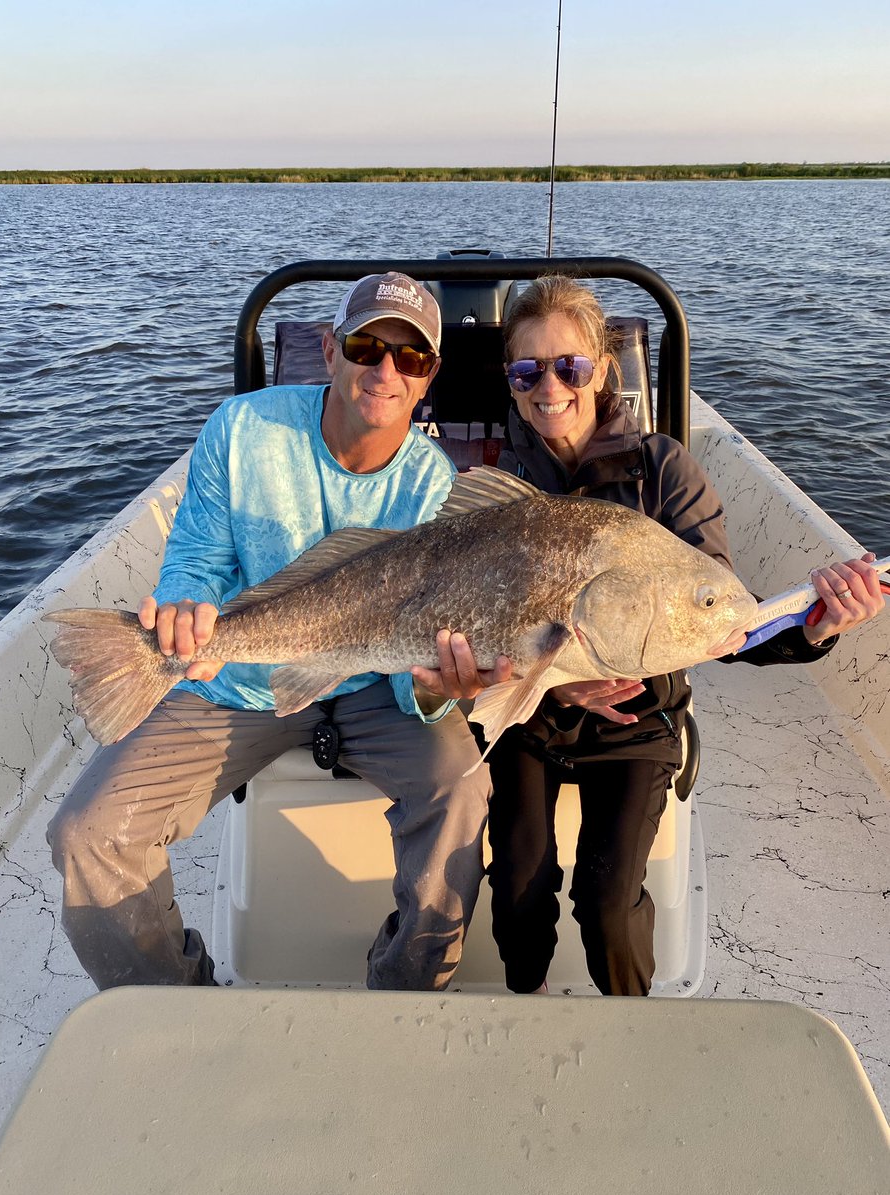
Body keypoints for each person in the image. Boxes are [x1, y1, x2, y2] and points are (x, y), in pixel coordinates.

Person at [47, 271, 510, 992]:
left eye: (411, 357)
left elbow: (412, 647)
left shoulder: (434, 487)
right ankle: (177, 1001)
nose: (385, 370)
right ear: (330, 350)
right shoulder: (242, 428)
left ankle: (403, 992)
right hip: (233, 680)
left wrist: (432, 691)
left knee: (461, 790)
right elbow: (196, 559)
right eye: (366, 345)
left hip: (371, 682)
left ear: (429, 380)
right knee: (87, 833)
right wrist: (184, 618)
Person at [484, 273, 886, 997]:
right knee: (516, 886)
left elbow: (724, 618)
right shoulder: (496, 482)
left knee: (607, 904)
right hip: (531, 718)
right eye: (528, 369)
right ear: (510, 380)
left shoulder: (664, 472)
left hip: (638, 722)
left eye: (570, 365)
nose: (551, 387)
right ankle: (528, 1002)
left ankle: (634, 1024)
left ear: (603, 370)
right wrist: (561, 685)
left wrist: (819, 625)